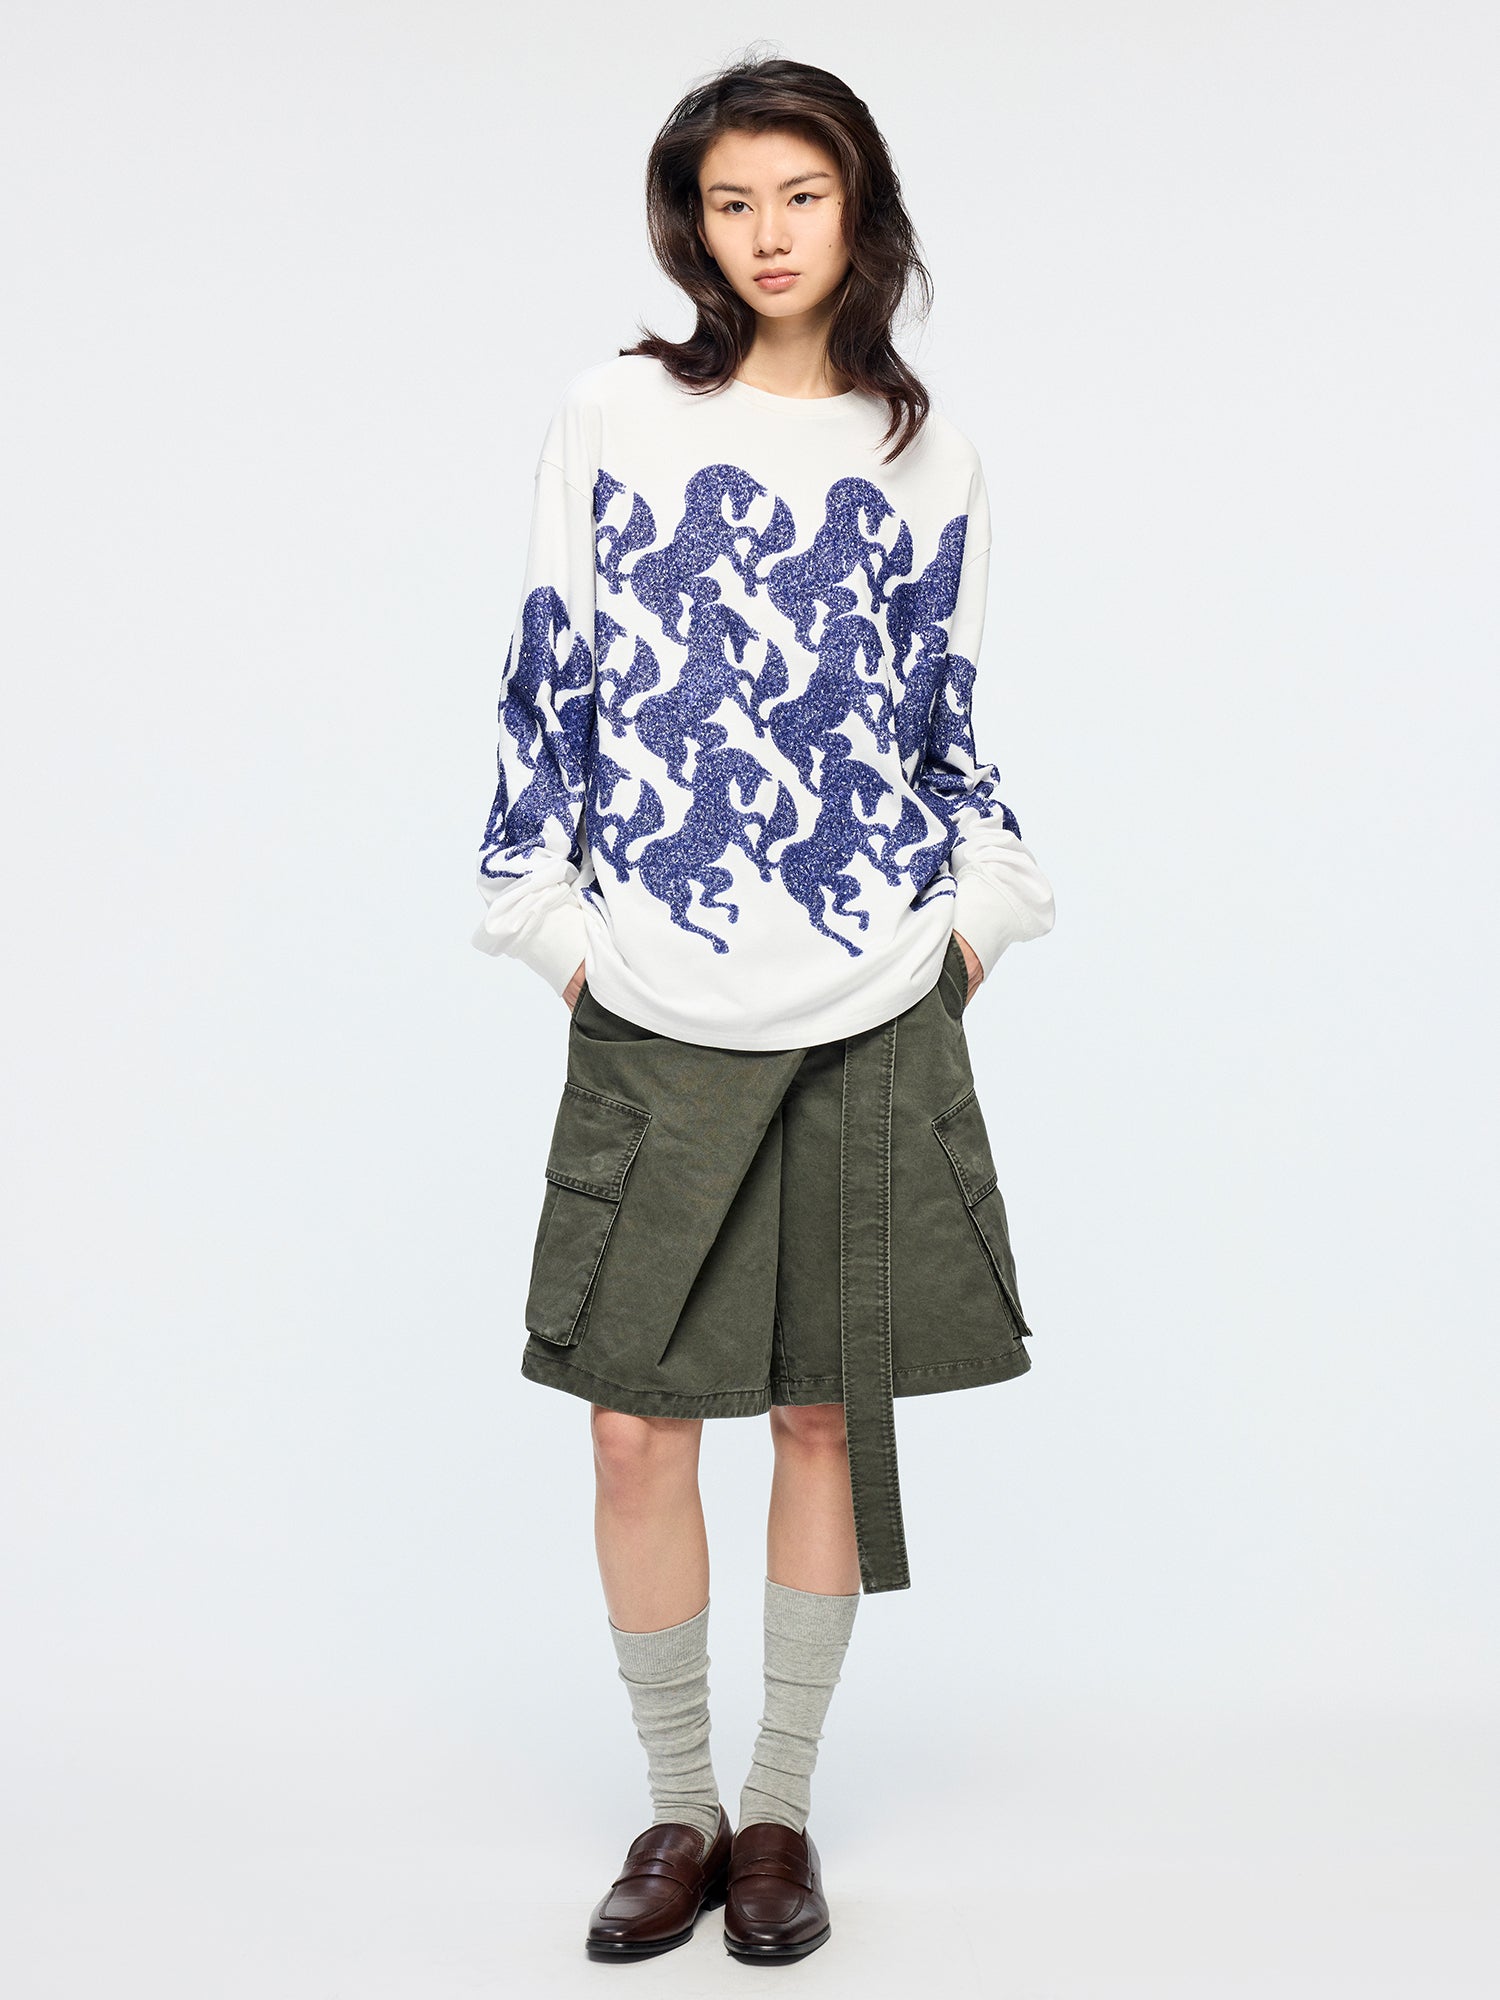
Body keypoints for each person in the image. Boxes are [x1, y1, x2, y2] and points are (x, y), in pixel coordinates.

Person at [471, 53, 1056, 1964]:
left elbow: (947, 726)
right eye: (732, 203)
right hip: (654, 994)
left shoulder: (924, 453)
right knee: (635, 1427)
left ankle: (780, 1813)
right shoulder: (615, 412)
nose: (768, 234)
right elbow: (549, 670)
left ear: (858, 208)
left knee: (820, 1410)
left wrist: (975, 925)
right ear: (691, 226)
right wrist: (547, 926)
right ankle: (678, 1806)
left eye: (800, 195)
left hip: (873, 997)